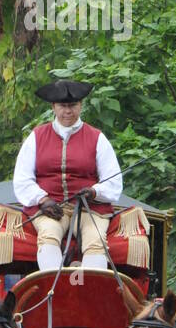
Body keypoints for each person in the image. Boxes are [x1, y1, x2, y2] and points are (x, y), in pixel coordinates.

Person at [13, 78, 123, 273]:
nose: (68, 111)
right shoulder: (36, 137)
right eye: (62, 106)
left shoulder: (97, 138)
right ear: (53, 107)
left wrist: (94, 192)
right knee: (48, 234)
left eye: (72, 105)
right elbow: (22, 179)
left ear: (80, 105)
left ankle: (90, 288)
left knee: (95, 239)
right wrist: (43, 200)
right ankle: (57, 288)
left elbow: (113, 181)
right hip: (51, 209)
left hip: (90, 208)